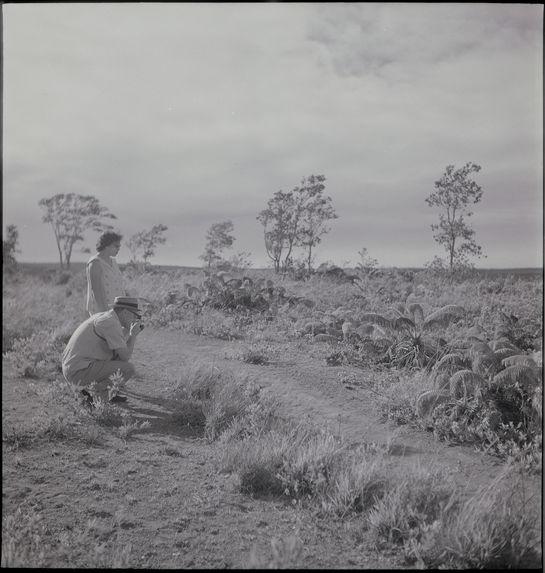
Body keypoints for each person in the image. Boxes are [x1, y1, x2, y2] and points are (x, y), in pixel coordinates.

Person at [62, 296, 145, 404]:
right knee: (128, 369)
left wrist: (128, 332)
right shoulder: (110, 324)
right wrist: (133, 335)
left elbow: (119, 353)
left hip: (74, 368)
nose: (136, 319)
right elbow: (125, 357)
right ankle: (97, 399)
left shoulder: (107, 318)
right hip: (78, 372)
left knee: (117, 361)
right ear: (125, 312)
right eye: (135, 315)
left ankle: (95, 393)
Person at [86, 231, 129, 316]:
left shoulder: (113, 261)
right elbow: (96, 292)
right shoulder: (95, 263)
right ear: (107, 245)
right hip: (101, 311)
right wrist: (106, 314)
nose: (119, 249)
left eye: (119, 246)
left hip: (116, 309)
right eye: (116, 246)